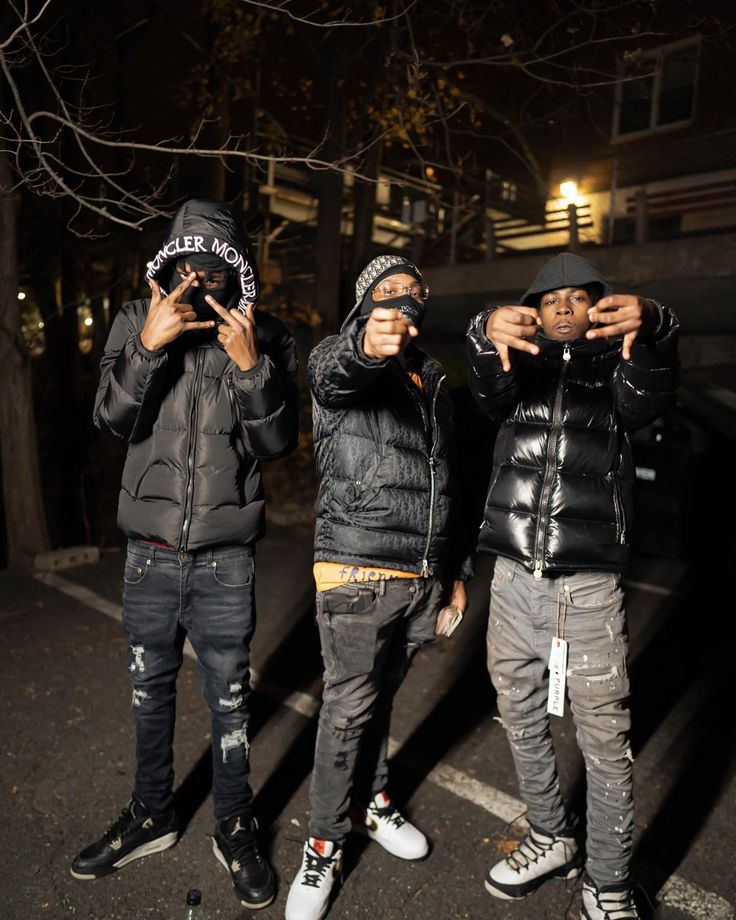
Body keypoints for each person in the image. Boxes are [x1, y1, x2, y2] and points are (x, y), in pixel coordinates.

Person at [72, 199, 299, 910]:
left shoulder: (267, 337)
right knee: (150, 696)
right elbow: (110, 422)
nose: (199, 275)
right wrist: (147, 345)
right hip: (149, 555)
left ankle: (233, 824)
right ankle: (152, 814)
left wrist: (251, 365)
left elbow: (278, 444)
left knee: (231, 701)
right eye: (186, 261)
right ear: (167, 266)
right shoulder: (130, 325)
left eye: (214, 263)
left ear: (238, 271)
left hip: (226, 559)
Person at [466, 252, 678, 920]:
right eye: (547, 297)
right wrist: (481, 332)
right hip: (510, 581)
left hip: (584, 592)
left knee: (604, 743)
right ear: (531, 311)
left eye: (576, 296)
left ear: (597, 309)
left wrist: (657, 328)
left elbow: (650, 396)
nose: (562, 305)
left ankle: (608, 882)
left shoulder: (616, 372)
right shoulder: (516, 368)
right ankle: (551, 834)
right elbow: (484, 393)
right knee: (521, 716)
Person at [285, 254, 473, 920]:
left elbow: (448, 479)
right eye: (389, 290)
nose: (404, 299)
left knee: (381, 701)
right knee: (346, 711)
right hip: (359, 570)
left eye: (415, 291)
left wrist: (453, 574)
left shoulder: (432, 377)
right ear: (365, 301)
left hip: (420, 576)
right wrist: (367, 347)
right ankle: (323, 845)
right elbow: (340, 377)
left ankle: (373, 798)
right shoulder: (339, 355)